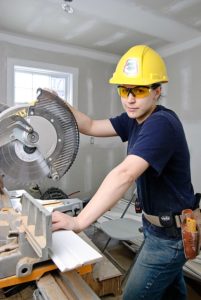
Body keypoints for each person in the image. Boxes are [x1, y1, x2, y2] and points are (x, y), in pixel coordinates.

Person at [52, 45, 198, 300]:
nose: (130, 98)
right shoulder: (133, 119)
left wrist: (78, 221)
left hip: (170, 237)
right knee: (173, 293)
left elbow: (124, 175)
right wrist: (60, 104)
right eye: (124, 89)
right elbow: (90, 125)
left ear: (157, 92)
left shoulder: (162, 123)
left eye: (139, 90)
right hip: (156, 230)